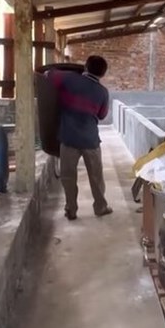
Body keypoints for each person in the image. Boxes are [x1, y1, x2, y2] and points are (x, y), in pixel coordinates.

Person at [49, 55, 112, 220]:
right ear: (103, 74)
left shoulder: (69, 79)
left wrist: (70, 69)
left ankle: (71, 209)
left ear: (86, 66)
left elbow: (49, 73)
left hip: (68, 138)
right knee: (96, 177)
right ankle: (100, 207)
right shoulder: (103, 92)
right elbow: (102, 115)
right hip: (90, 140)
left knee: (68, 176)